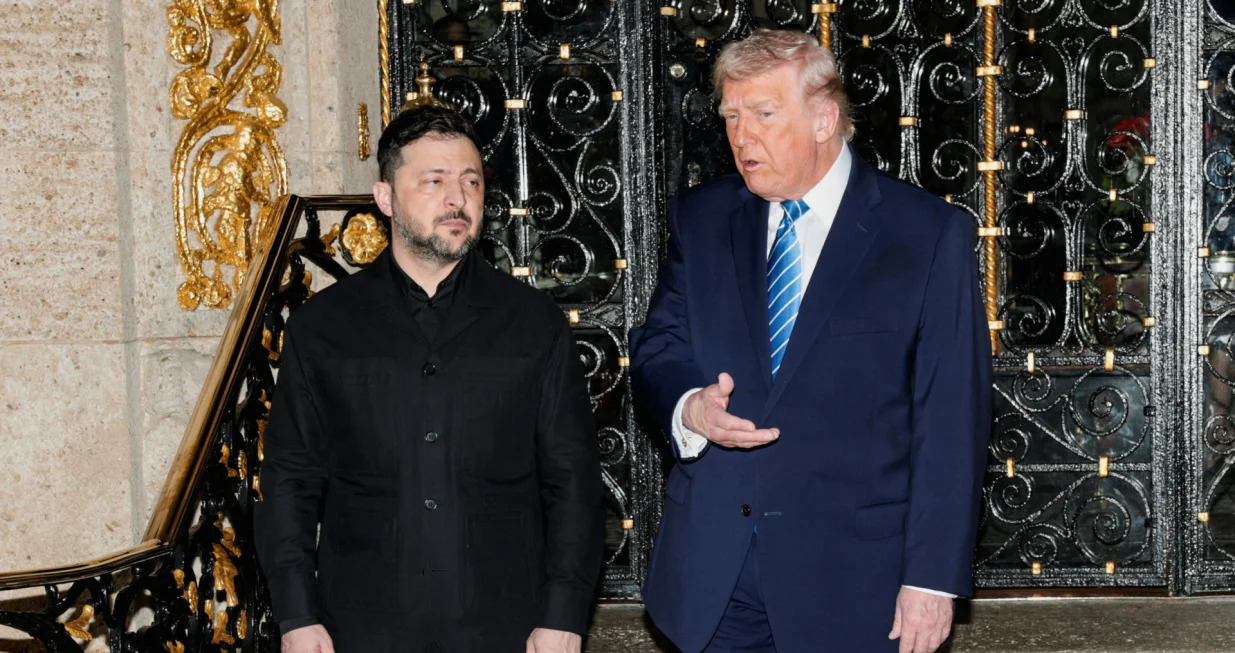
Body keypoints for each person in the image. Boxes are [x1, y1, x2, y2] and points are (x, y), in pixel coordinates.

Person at [630, 29, 992, 653]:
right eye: (731, 116)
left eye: (764, 114)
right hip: (717, 580)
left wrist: (932, 579)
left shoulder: (927, 235)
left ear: (825, 119)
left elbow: (951, 419)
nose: (741, 136)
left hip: (856, 585)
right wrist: (690, 406)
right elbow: (658, 344)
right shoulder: (703, 217)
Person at [254, 105, 603, 653]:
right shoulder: (323, 326)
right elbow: (290, 480)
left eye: (470, 181)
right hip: (360, 626)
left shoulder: (534, 322)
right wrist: (297, 615)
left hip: (507, 623)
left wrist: (565, 613)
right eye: (434, 181)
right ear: (386, 198)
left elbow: (573, 480)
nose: (457, 199)